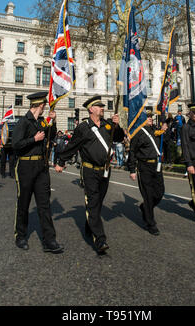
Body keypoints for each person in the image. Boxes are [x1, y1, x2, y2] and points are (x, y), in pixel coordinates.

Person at [55, 95, 124, 254]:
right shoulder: (84, 127)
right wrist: (61, 162)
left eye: (102, 106)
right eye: (99, 106)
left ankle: (90, 224)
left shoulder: (107, 125)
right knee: (93, 202)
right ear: (91, 109)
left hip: (105, 170)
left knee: (98, 202)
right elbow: (73, 146)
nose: (102, 108)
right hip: (90, 170)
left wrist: (117, 125)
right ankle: (100, 240)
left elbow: (119, 138)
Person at [12, 92, 63, 254]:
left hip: (41, 167)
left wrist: (53, 121)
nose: (44, 109)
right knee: (24, 202)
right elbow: (16, 144)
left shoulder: (42, 122)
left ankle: (49, 240)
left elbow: (50, 135)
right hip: (26, 166)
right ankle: (20, 235)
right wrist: (33, 139)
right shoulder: (23, 122)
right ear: (40, 105)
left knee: (44, 204)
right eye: (44, 107)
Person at [127, 111, 164, 236]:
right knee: (148, 195)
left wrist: (165, 129)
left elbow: (166, 141)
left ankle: (145, 208)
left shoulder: (155, 130)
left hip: (157, 166)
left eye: (151, 117)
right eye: (147, 117)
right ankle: (150, 223)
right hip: (144, 166)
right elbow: (132, 151)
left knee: (159, 193)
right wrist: (132, 169)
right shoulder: (138, 133)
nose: (150, 119)